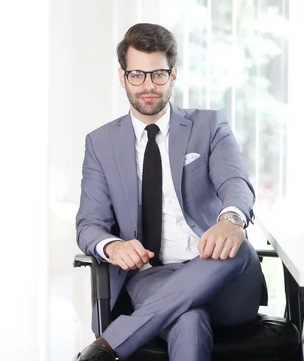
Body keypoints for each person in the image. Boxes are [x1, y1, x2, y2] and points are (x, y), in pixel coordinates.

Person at [75, 23, 262, 361]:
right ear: (122, 76)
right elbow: (89, 224)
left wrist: (230, 219)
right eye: (137, 75)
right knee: (188, 320)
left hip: (221, 278)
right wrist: (113, 246)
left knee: (237, 245)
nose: (148, 86)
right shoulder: (100, 144)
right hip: (152, 279)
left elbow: (236, 183)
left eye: (158, 74)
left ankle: (108, 346)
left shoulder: (209, 126)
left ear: (173, 75)